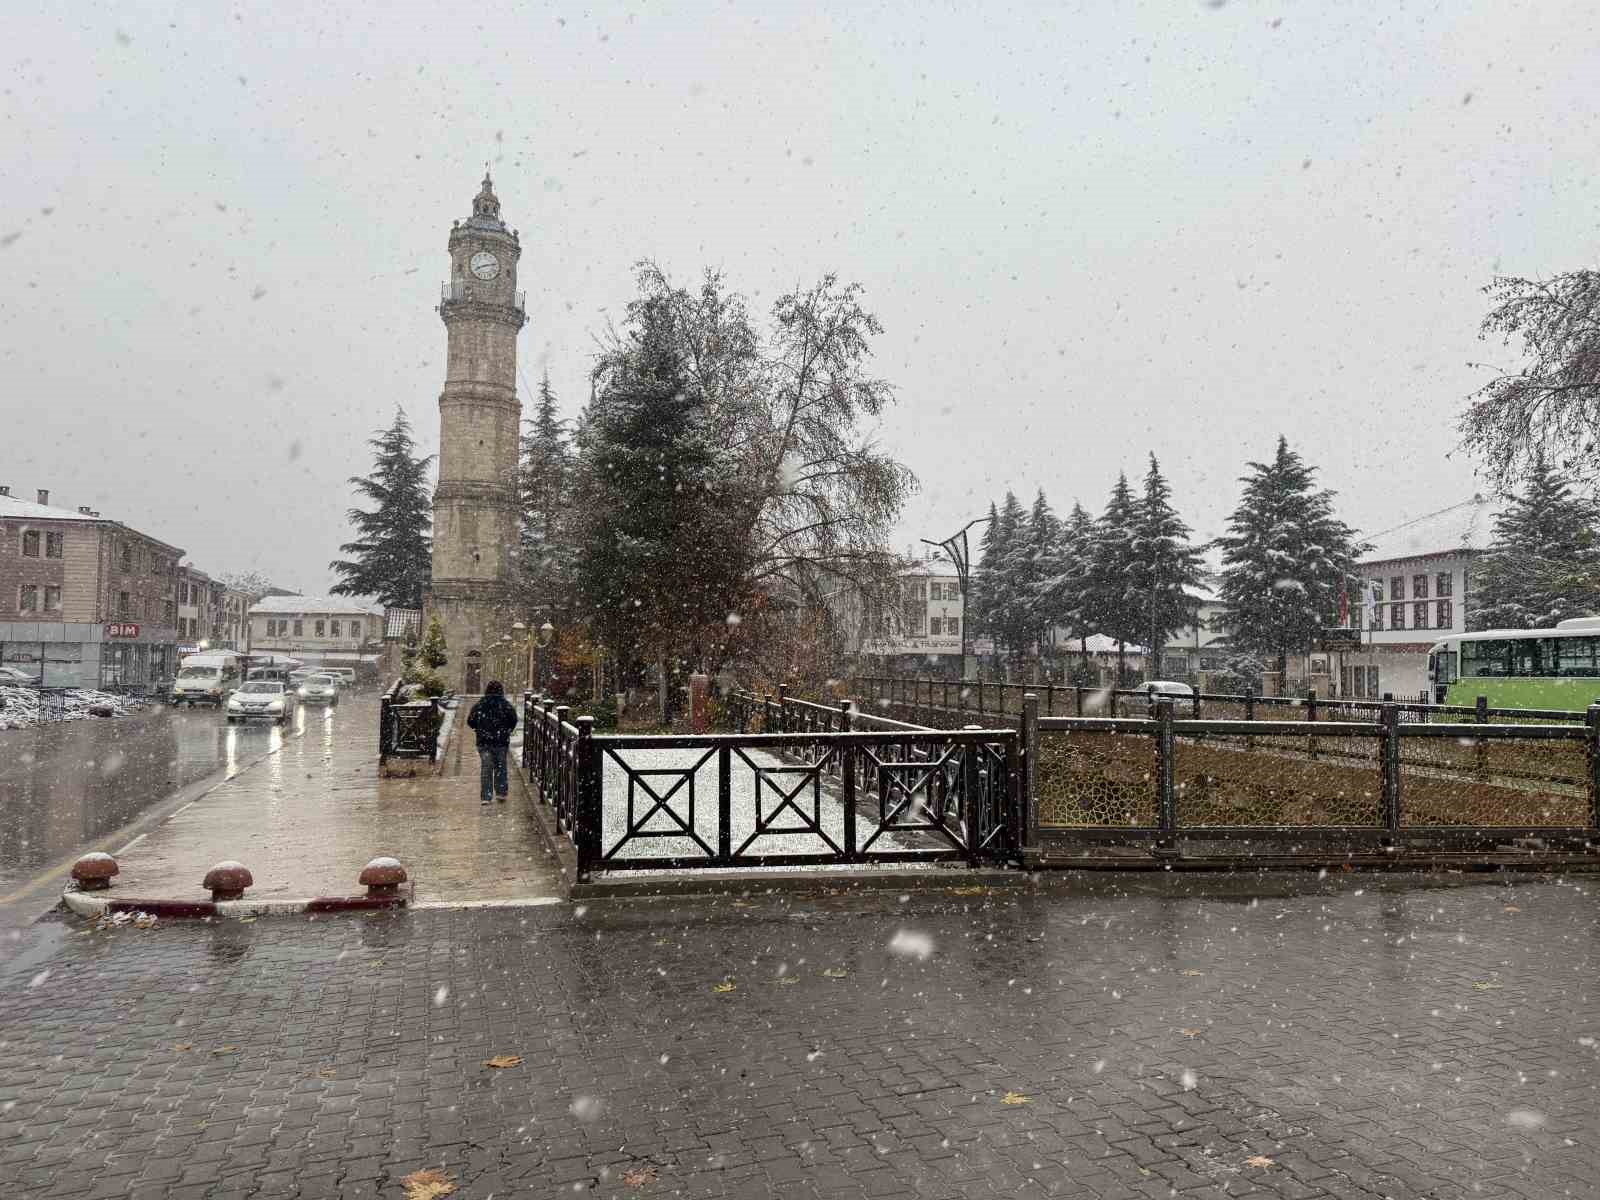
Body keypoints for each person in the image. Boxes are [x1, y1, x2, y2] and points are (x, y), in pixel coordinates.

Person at [465, 680, 519, 804]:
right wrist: (506, 730)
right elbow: (513, 720)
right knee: (501, 767)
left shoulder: (480, 704)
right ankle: (501, 793)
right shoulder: (505, 705)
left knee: (486, 768)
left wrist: (479, 729)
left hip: (484, 742)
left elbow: (470, 721)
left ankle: (486, 796)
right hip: (501, 742)